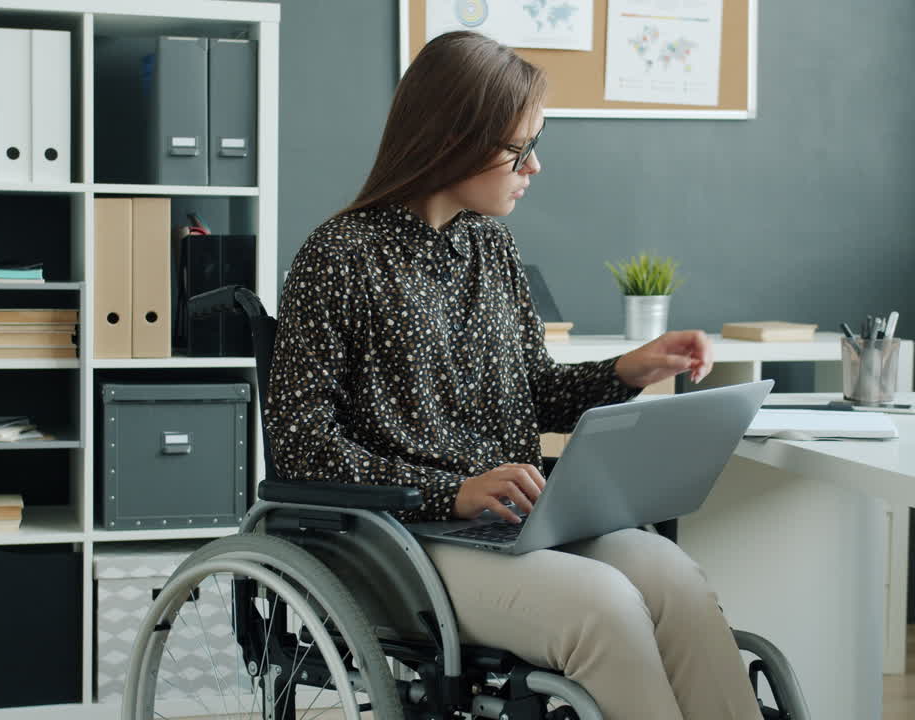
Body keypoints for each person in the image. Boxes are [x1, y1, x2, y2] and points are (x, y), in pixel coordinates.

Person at [265, 30, 763, 720]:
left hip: (513, 523)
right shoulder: (339, 256)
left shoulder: (491, 246)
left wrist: (630, 369)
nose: (535, 166)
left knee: (676, 580)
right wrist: (451, 493)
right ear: (452, 140)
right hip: (396, 538)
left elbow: (535, 392)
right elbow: (300, 444)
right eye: (517, 148)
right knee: (605, 608)